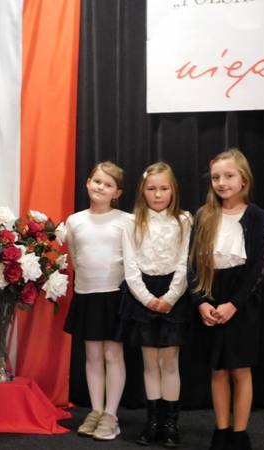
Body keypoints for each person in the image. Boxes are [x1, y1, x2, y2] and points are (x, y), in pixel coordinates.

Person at [188, 149, 264, 450]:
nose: (222, 182)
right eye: (216, 177)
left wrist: (234, 304)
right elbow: (192, 264)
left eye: (229, 176)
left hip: (241, 299)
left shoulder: (256, 216)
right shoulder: (204, 215)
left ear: (243, 179)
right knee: (218, 369)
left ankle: (239, 433)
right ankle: (221, 429)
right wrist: (200, 301)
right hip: (211, 293)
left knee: (240, 369)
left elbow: (259, 266)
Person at [118, 162, 192, 448]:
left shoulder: (184, 220)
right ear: (142, 191)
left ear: (173, 190)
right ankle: (153, 423)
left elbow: (186, 262)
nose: (158, 195)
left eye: (164, 188)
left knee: (169, 362)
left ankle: (171, 424)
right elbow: (130, 265)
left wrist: (171, 297)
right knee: (150, 362)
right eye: (151, 189)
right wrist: (147, 298)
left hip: (174, 292)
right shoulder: (132, 222)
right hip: (143, 293)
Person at [60, 161, 128, 441]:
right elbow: (75, 258)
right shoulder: (74, 221)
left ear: (117, 193)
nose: (101, 187)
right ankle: (96, 410)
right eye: (97, 181)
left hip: (114, 295)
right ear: (88, 183)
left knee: (113, 355)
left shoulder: (126, 220)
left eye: (108, 185)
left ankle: (111, 415)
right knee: (92, 356)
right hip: (86, 294)